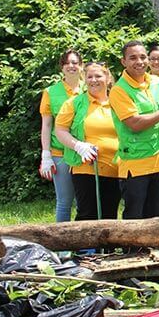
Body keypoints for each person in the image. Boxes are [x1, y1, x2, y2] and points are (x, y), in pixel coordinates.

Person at [109, 40, 159, 219]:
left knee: (157, 218)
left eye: (143, 57)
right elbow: (134, 123)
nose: (140, 61)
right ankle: (132, 249)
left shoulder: (157, 82)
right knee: (136, 217)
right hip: (137, 164)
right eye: (133, 58)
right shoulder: (119, 90)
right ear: (124, 62)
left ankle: (153, 249)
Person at [55, 62, 121, 220]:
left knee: (109, 214)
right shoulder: (74, 103)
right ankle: (87, 246)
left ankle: (107, 246)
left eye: (98, 76)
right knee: (87, 214)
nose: (93, 80)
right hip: (87, 168)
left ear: (107, 78)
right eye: (89, 77)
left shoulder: (118, 102)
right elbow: (60, 130)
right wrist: (78, 146)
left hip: (115, 168)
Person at [39, 49, 82, 222]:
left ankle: (85, 246)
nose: (71, 66)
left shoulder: (91, 86)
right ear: (61, 67)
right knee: (64, 202)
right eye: (67, 63)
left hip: (85, 153)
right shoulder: (50, 92)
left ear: (81, 65)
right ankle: (62, 248)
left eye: (74, 62)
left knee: (84, 201)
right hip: (60, 153)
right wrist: (46, 154)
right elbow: (47, 124)